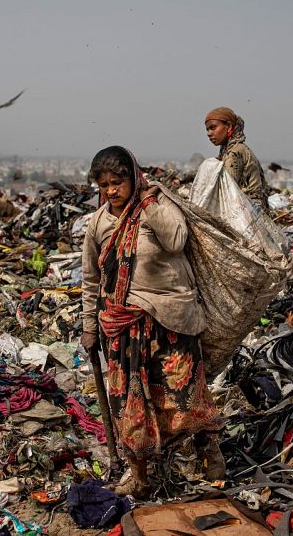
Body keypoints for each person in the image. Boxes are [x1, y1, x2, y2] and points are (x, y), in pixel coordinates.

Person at [80, 146, 225, 497]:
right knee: (129, 406)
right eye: (104, 185)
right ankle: (141, 476)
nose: (112, 190)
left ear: (135, 178)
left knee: (186, 396)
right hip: (122, 326)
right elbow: (90, 279)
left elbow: (176, 240)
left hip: (170, 320)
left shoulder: (157, 206)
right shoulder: (99, 222)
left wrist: (148, 203)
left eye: (118, 182)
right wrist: (88, 326)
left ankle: (212, 460)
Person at [204, 107, 270, 210]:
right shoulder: (229, 149)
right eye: (207, 129)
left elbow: (227, 190)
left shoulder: (235, 152)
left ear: (229, 126)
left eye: (213, 128)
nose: (209, 133)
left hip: (249, 212)